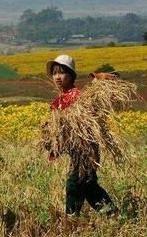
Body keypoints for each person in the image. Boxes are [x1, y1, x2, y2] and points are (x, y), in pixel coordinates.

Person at [46, 54, 116, 216]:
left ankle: (71, 220)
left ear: (71, 76)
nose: (57, 77)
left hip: (88, 151)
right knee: (89, 187)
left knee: (73, 184)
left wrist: (97, 84)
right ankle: (111, 214)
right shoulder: (58, 102)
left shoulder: (79, 96)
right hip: (75, 152)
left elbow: (92, 108)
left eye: (62, 73)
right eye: (55, 73)